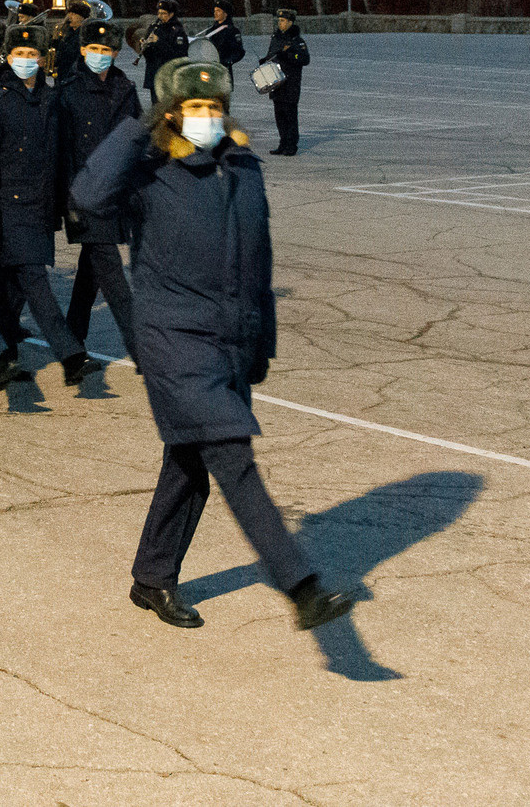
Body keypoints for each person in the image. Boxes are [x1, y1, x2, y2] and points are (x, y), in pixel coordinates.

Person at [69, 58, 354, 633]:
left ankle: (152, 576)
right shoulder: (149, 168)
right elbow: (88, 196)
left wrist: (260, 340)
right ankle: (303, 587)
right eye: (194, 107)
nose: (206, 117)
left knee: (190, 458)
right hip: (173, 338)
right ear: (171, 112)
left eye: (214, 107)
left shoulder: (243, 165)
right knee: (232, 456)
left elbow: (259, 257)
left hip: (231, 339)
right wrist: (136, 128)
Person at [0, 22, 93, 389]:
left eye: (33, 55)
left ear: (43, 60)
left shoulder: (52, 99)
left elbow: (62, 155)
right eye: (19, 54)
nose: (26, 60)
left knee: (15, 290)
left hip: (41, 205)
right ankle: (71, 356)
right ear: (7, 58)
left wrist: (65, 203)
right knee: (34, 278)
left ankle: (2, 353)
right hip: (10, 206)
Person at [57, 18, 143, 358]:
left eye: (106, 50)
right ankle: (141, 348)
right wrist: (69, 203)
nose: (99, 55)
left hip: (116, 194)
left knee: (90, 271)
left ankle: (71, 336)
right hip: (84, 196)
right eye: (93, 48)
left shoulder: (126, 89)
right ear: (82, 50)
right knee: (112, 274)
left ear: (116, 53)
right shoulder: (68, 90)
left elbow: (136, 142)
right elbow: (62, 152)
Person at [261, 8, 309, 156]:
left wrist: (289, 55)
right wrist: (265, 60)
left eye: (282, 21)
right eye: (279, 21)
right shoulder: (276, 38)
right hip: (277, 82)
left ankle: (291, 144)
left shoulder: (297, 41)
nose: (280, 23)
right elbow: (272, 54)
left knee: (290, 115)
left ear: (290, 22)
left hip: (290, 83)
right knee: (279, 115)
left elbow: (305, 59)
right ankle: (282, 143)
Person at [140, 0, 188, 98]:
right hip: (154, 71)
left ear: (171, 14)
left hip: (168, 74)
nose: (160, 16)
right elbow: (149, 53)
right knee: (155, 106)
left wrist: (159, 42)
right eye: (159, 13)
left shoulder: (177, 30)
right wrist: (144, 46)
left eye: (164, 13)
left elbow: (179, 54)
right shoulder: (155, 26)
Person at [198, 2, 246, 77]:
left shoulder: (232, 31)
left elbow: (239, 51)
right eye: (214, 11)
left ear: (226, 14)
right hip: (209, 70)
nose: (215, 13)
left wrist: (228, 61)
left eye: (218, 11)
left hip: (223, 71)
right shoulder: (210, 30)